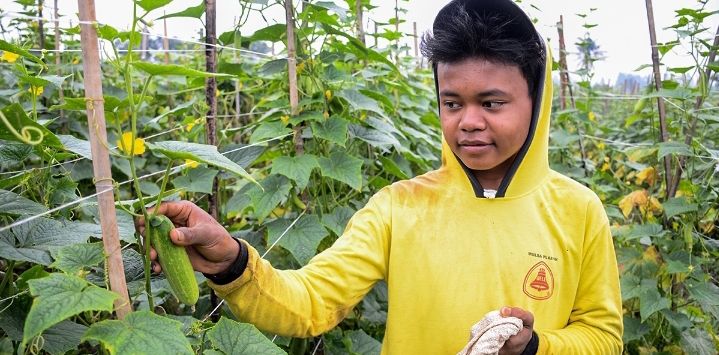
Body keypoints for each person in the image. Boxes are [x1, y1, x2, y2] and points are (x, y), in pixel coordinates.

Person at [138, 0, 623, 353]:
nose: (468, 121)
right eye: (452, 103)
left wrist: (537, 346)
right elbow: (310, 302)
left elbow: (602, 338)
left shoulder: (578, 210)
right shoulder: (399, 205)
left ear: (536, 103)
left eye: (491, 103)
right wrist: (233, 264)